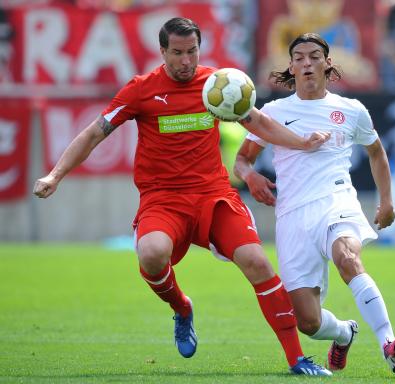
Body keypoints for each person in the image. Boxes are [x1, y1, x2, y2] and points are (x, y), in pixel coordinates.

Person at [33, 18, 332, 377]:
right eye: (177, 53)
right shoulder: (141, 90)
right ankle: (182, 307)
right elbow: (95, 133)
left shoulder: (218, 85)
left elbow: (257, 123)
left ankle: (297, 359)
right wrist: (55, 174)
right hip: (163, 199)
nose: (186, 61)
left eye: (192, 52)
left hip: (213, 196)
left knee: (258, 262)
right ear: (163, 52)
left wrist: (302, 143)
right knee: (152, 254)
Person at [234, 33, 395, 375]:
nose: (306, 63)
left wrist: (386, 201)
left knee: (347, 258)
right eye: (298, 57)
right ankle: (345, 333)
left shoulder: (351, 110)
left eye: (314, 56)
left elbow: (376, 151)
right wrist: (251, 177)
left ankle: (388, 344)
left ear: (327, 63)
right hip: (293, 215)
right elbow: (242, 161)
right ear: (291, 66)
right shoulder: (273, 112)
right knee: (308, 322)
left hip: (336, 200)